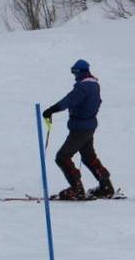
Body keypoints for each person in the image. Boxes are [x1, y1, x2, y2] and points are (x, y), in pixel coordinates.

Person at [42, 59, 115, 199]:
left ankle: (77, 189)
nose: (73, 74)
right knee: (88, 157)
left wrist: (53, 109)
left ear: (79, 72)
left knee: (62, 157)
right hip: (89, 125)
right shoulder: (94, 84)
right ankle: (106, 186)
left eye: (74, 71)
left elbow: (70, 99)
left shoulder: (83, 87)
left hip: (80, 128)